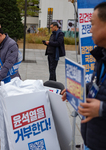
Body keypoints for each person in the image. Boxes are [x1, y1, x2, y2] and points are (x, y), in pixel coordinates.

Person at [61, 2, 106, 150]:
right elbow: (97, 87)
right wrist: (76, 90)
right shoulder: (101, 55)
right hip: (93, 139)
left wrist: (102, 109)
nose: (89, 29)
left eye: (92, 24)